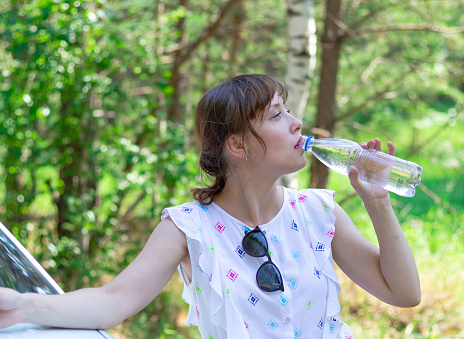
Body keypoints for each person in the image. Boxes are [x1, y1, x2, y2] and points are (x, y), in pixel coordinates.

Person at [0, 74, 420, 338]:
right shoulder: (189, 227)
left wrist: (378, 203)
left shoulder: (318, 211)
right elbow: (113, 301)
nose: (296, 122)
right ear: (237, 145)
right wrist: (20, 307)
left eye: (289, 110)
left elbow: (404, 294)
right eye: (276, 115)